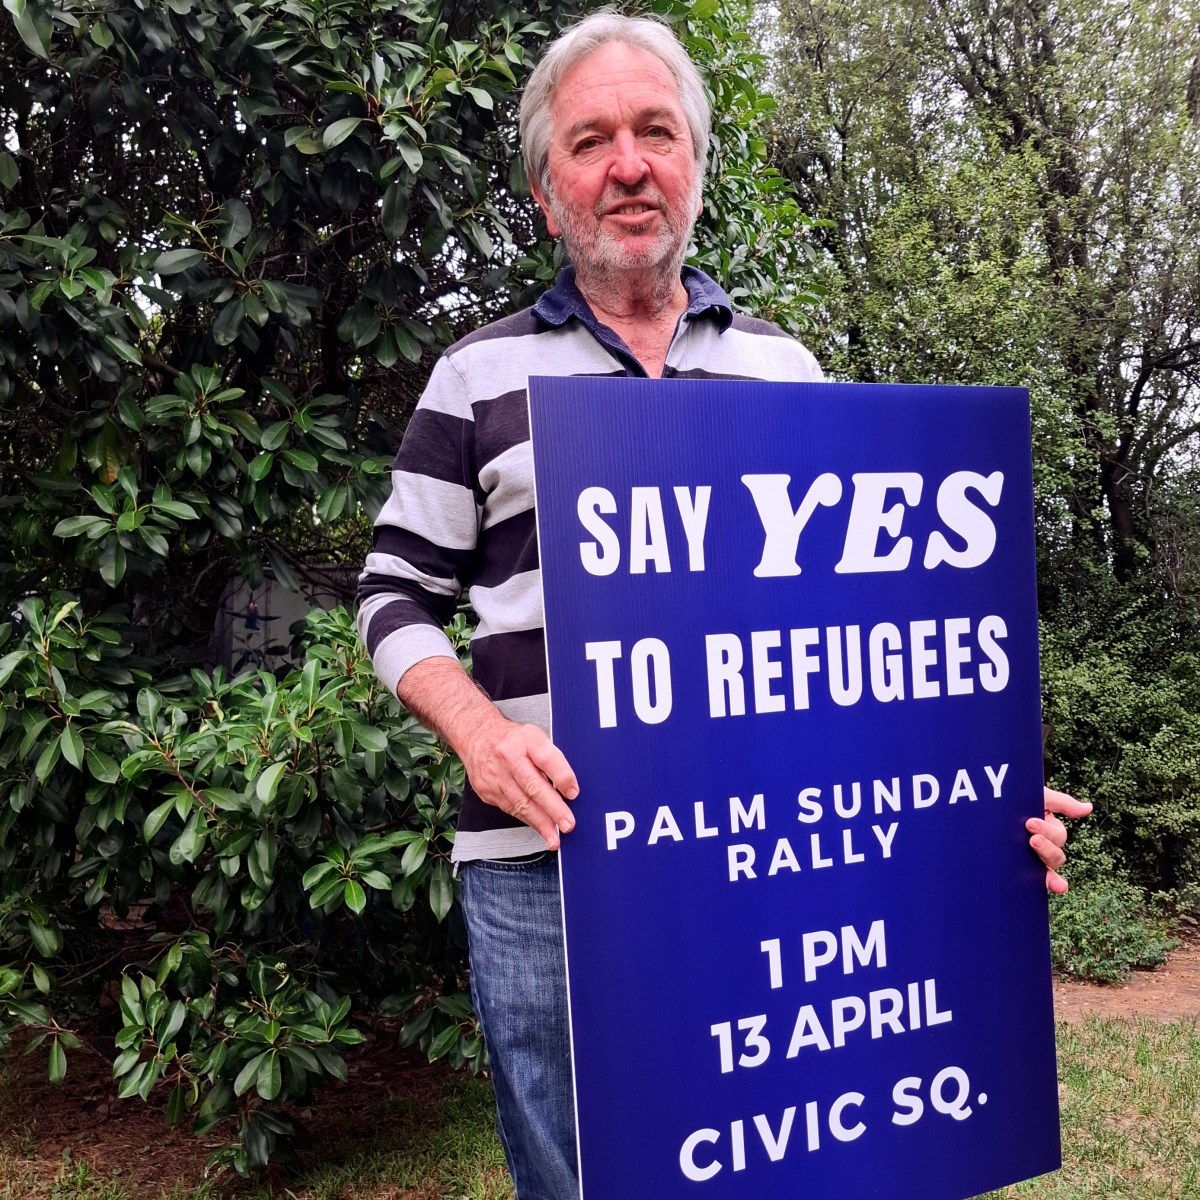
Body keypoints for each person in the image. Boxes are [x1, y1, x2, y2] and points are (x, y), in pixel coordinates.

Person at [357, 13, 1091, 1199]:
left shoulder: (788, 371)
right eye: (591, 141)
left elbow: (856, 647)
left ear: (695, 170)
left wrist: (974, 792)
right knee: (578, 1178)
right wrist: (479, 733)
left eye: (657, 132)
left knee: (775, 1167)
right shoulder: (473, 377)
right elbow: (392, 594)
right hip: (545, 872)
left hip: (761, 859)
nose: (629, 164)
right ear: (550, 194)